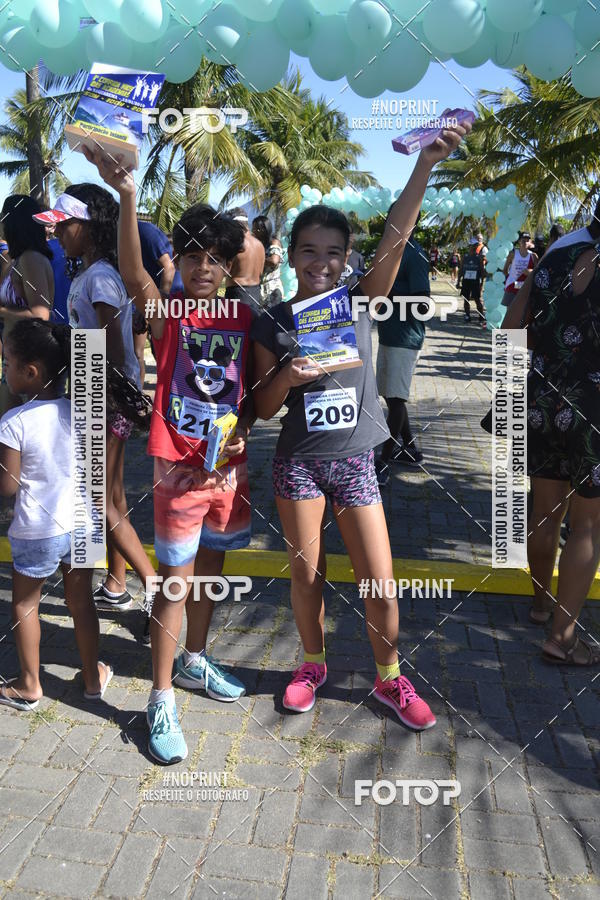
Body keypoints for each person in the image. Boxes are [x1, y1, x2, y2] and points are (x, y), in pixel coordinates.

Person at [251, 121, 468, 729]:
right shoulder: (272, 320)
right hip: (298, 465)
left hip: (356, 462)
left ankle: (390, 680)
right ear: (290, 256)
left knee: (380, 581)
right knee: (305, 576)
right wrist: (288, 377)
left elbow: (396, 237)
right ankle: (312, 665)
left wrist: (424, 165)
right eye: (309, 251)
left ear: (346, 258)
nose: (321, 263)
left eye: (333, 253)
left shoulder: (358, 300)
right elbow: (262, 408)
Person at [85, 146, 256, 765]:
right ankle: (160, 697)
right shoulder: (171, 313)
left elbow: (259, 390)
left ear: (231, 265)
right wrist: (129, 195)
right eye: (191, 256)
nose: (203, 268)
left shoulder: (245, 315)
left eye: (215, 258)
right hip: (178, 467)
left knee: (209, 572)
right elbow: (134, 278)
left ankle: (194, 662)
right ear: (177, 260)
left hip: (227, 471)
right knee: (177, 583)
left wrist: (245, 433)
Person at [34, 188, 156, 639]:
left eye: (64, 224)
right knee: (113, 495)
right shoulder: (93, 273)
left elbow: (112, 346)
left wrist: (121, 395)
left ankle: (156, 585)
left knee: (97, 500)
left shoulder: (101, 277)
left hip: (102, 394)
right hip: (98, 391)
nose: (57, 232)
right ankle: (118, 583)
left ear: (88, 226)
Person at [0, 319, 112, 709]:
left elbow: (8, 487)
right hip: (84, 524)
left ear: (30, 372)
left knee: (25, 605)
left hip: (37, 531)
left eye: (6, 363)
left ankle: (30, 684)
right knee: (81, 602)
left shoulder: (13, 422)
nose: (4, 371)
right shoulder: (83, 413)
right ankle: (92, 677)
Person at [502, 232, 600, 665]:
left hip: (541, 398)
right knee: (588, 527)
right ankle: (563, 638)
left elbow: (510, 331)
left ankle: (541, 606)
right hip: (594, 410)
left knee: (544, 511)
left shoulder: (556, 259)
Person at [374, 211, 430, 485]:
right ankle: (410, 449)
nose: (391, 220)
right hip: (388, 334)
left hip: (405, 337)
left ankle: (383, 460)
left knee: (396, 400)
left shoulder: (415, 254)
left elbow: (423, 302)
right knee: (391, 396)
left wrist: (389, 291)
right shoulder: (388, 250)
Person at [0, 196, 54, 417]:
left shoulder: (31, 259)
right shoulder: (15, 260)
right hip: (15, 358)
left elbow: (41, 315)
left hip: (29, 360)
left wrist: (2, 313)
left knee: (16, 436)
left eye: (3, 215)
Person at [136, 220, 183, 383]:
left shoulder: (144, 231)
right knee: (145, 352)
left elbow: (168, 268)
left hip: (168, 297)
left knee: (167, 352)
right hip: (148, 299)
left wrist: (158, 304)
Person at [224, 208, 265, 309]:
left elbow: (224, 270)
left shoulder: (235, 243)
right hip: (256, 294)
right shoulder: (259, 244)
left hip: (237, 294)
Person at [251, 215, 284, 307]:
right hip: (260, 290)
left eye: (256, 229)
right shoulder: (257, 245)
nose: (254, 231)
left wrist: (255, 259)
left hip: (273, 290)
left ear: (264, 229)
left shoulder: (274, 242)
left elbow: (274, 261)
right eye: (253, 229)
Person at [501, 231, 538, 307]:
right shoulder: (513, 254)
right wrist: (511, 279)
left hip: (526, 288)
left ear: (530, 242)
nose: (525, 242)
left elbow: (538, 272)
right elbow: (505, 270)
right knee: (510, 311)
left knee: (523, 311)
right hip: (512, 286)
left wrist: (530, 271)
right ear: (519, 241)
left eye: (527, 240)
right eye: (523, 240)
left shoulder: (533, 256)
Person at [46, 226, 72, 326]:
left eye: (65, 224)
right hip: (60, 332)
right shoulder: (47, 249)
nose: (56, 232)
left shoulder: (99, 273)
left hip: (82, 336)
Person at [458, 237, 486, 325]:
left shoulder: (479, 257)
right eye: (473, 245)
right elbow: (461, 269)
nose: (474, 247)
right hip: (466, 281)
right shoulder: (465, 256)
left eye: (476, 245)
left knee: (477, 299)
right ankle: (467, 315)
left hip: (476, 282)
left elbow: (482, 271)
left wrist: (482, 283)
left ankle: (481, 317)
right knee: (466, 299)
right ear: (470, 246)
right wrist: (458, 281)